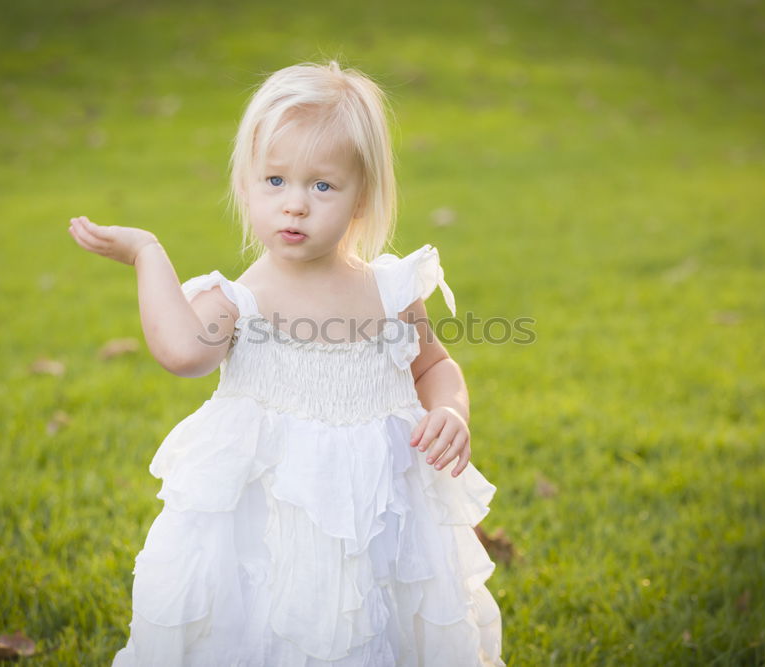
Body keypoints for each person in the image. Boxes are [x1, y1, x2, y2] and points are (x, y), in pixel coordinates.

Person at [68, 60, 505, 667]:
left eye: (322, 186)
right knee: (265, 631)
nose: (295, 205)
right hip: (269, 528)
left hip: (380, 517)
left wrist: (452, 412)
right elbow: (182, 352)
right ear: (245, 186)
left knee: (383, 626)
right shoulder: (239, 300)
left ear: (362, 198)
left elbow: (432, 366)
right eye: (275, 181)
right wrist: (147, 254)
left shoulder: (392, 289)